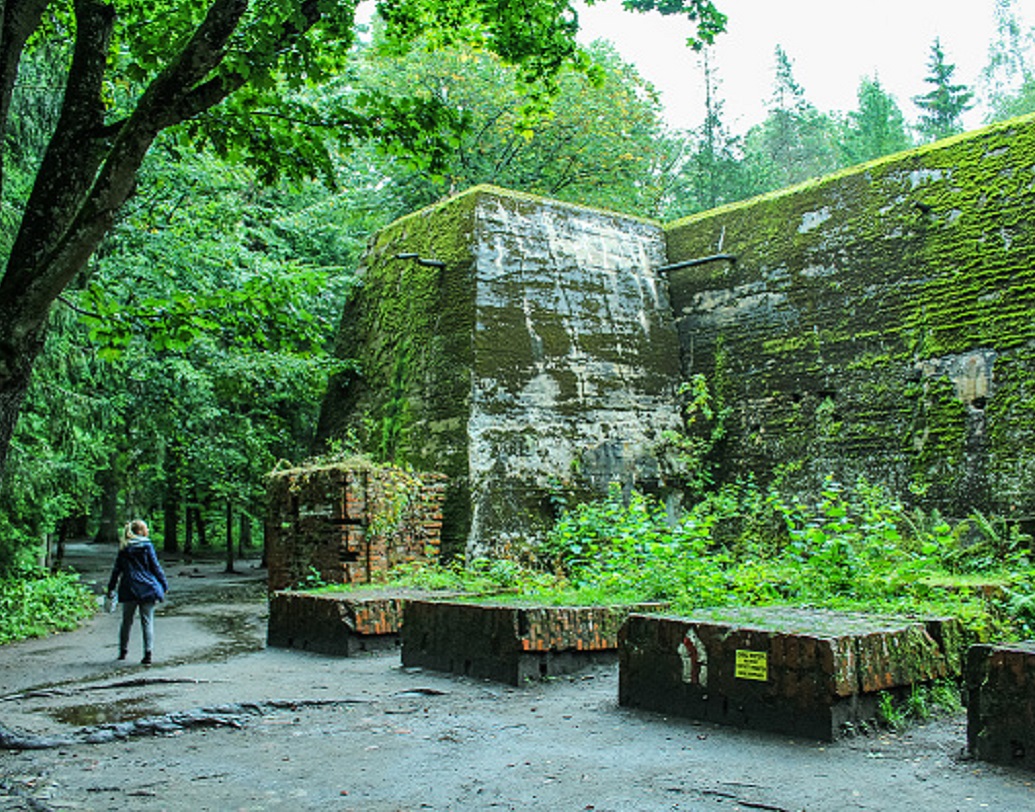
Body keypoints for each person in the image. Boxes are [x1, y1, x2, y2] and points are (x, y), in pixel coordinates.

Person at [107, 519, 169, 665]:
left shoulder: (124, 547)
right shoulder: (147, 546)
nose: (148, 530)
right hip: (147, 588)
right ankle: (148, 653)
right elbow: (155, 567)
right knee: (147, 621)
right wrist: (164, 584)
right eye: (146, 528)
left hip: (129, 588)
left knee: (126, 621)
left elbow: (117, 570)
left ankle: (123, 651)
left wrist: (111, 588)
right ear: (140, 531)